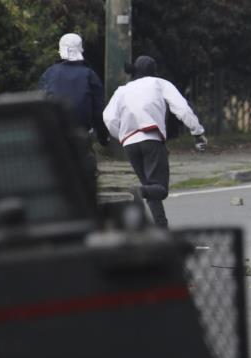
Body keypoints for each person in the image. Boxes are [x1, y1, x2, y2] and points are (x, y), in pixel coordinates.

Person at [103, 55, 207, 227]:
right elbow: (182, 109)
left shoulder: (122, 90)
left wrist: (121, 136)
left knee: (151, 189)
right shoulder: (159, 83)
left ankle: (161, 227)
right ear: (154, 70)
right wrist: (197, 132)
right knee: (160, 189)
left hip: (129, 143)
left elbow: (108, 118)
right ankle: (132, 191)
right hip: (151, 139)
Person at [37, 33, 109, 191]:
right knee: (87, 163)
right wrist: (103, 136)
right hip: (82, 130)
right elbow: (99, 110)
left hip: (55, 128)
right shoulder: (90, 75)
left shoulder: (49, 73)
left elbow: (39, 102)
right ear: (80, 49)